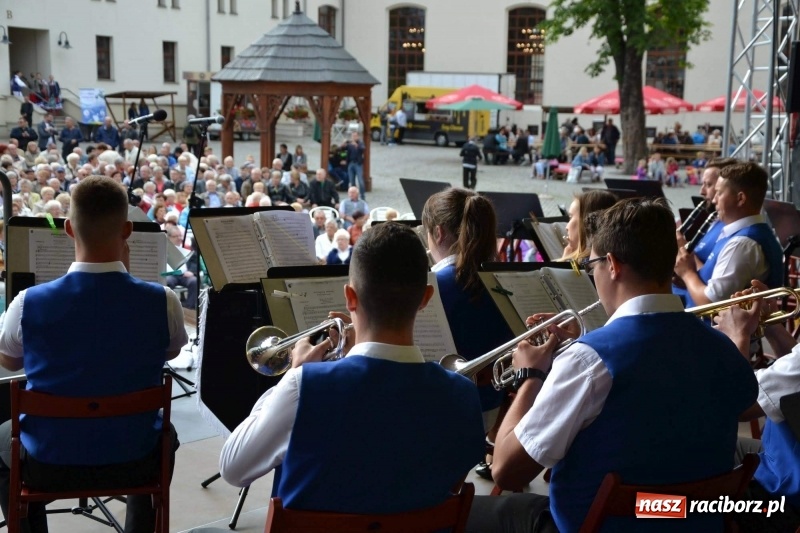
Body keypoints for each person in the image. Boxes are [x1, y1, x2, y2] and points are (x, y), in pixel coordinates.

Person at [465, 198, 759, 533]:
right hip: (687, 521)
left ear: (613, 265)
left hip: (599, 526)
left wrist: (530, 376)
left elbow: (506, 470)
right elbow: (669, 378)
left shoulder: (590, 361)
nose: (594, 276)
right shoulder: (722, 347)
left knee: (463, 512)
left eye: (592, 267)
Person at [219, 223, 485, 514]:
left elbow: (232, 468)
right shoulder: (464, 394)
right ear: (426, 298)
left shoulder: (304, 386)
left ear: (350, 297)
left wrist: (293, 375)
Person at [0, 176, 186, 533]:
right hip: (136, 460)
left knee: (1, 440)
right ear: (128, 230)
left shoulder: (28, 302)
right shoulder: (163, 301)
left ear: (68, 229)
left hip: (48, 462)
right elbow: (171, 352)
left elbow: (9, 360)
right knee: (166, 435)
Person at [422, 188, 515, 478]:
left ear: (438, 233)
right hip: (490, 408)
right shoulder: (504, 282)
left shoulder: (432, 286)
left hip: (440, 415)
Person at [714, 280, 800, 533]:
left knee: (665, 503)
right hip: (780, 459)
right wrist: (771, 326)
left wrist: (737, 335)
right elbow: (793, 376)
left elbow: (737, 405)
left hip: (779, 496)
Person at [674, 162, 782, 307]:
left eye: (719, 193)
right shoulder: (738, 235)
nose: (713, 200)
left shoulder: (742, 243)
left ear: (740, 198)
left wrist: (687, 274)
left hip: (707, 328)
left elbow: (711, 303)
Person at [560, 190, 618, 263]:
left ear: (585, 222)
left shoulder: (587, 265)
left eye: (571, 217)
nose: (567, 227)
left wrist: (565, 263)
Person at [346, 132, 366, 200]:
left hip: (358, 164)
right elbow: (344, 149)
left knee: (361, 181)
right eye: (353, 136)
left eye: (355, 136)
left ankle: (363, 197)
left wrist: (356, 145)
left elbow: (363, 149)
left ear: (358, 136)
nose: (354, 137)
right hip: (351, 164)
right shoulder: (350, 144)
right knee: (352, 182)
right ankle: (354, 197)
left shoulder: (360, 143)